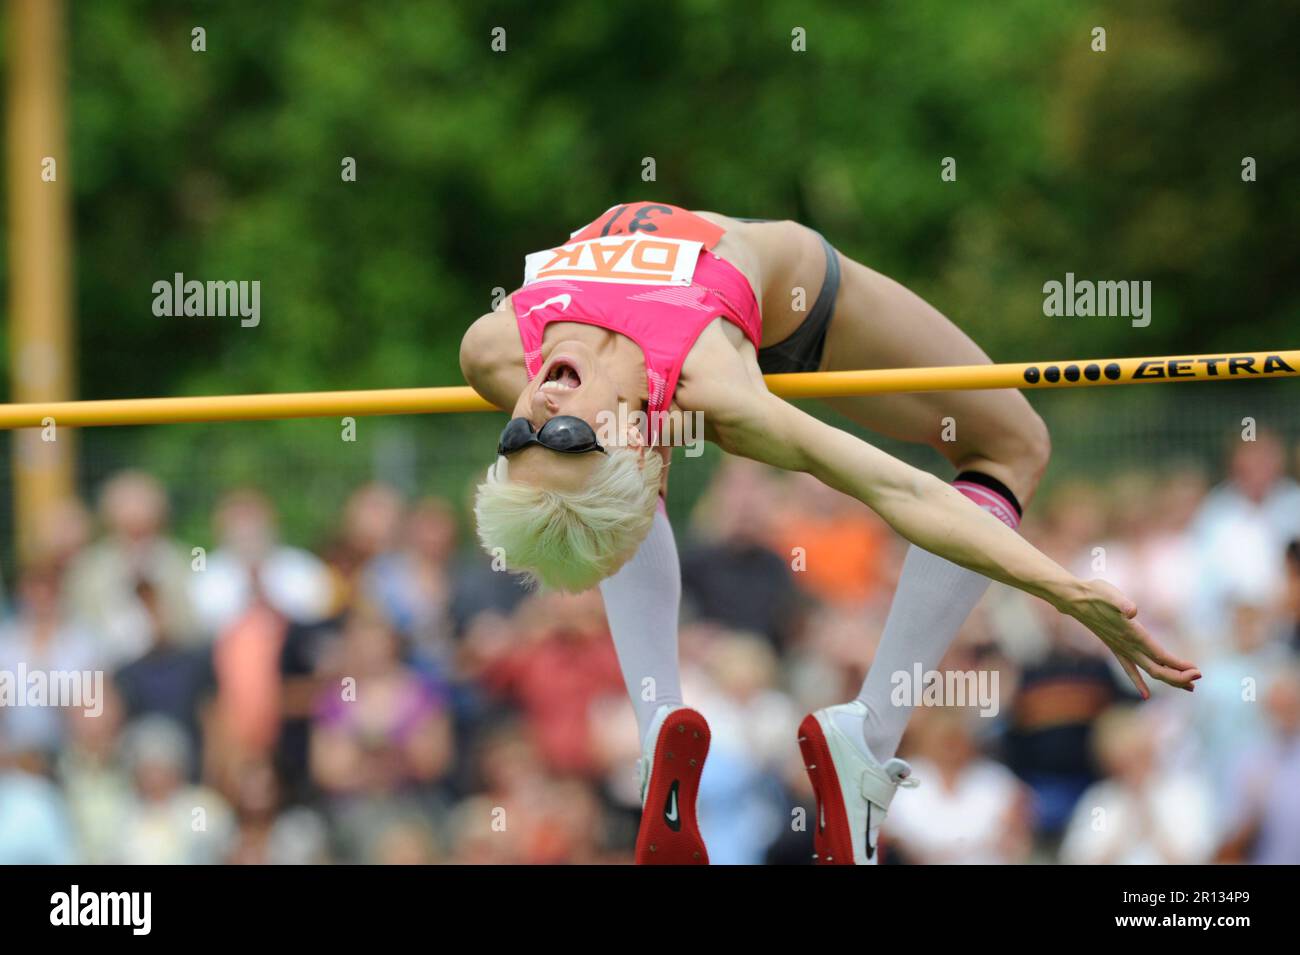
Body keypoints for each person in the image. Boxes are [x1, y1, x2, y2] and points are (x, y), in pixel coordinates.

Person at [460, 201, 1200, 864]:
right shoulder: (712, 387)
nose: (539, 403)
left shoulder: (494, 353)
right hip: (800, 310)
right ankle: (862, 739)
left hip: (708, 351)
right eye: (558, 433)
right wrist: (1064, 587)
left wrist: (1063, 590)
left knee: (599, 493)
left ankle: (670, 730)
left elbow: (602, 458)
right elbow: (898, 490)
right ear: (636, 435)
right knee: (1013, 446)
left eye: (520, 433)